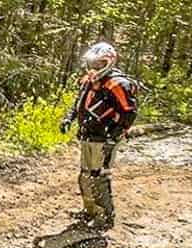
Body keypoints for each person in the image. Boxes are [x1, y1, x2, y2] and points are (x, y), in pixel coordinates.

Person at [57, 42, 139, 235]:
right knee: (85, 175)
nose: (95, 68)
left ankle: (105, 217)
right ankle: (90, 211)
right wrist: (69, 118)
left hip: (106, 137)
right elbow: (79, 103)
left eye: (99, 64)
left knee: (100, 177)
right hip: (87, 134)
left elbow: (129, 112)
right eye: (92, 64)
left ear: (109, 62)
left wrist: (115, 135)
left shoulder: (118, 84)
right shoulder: (87, 80)